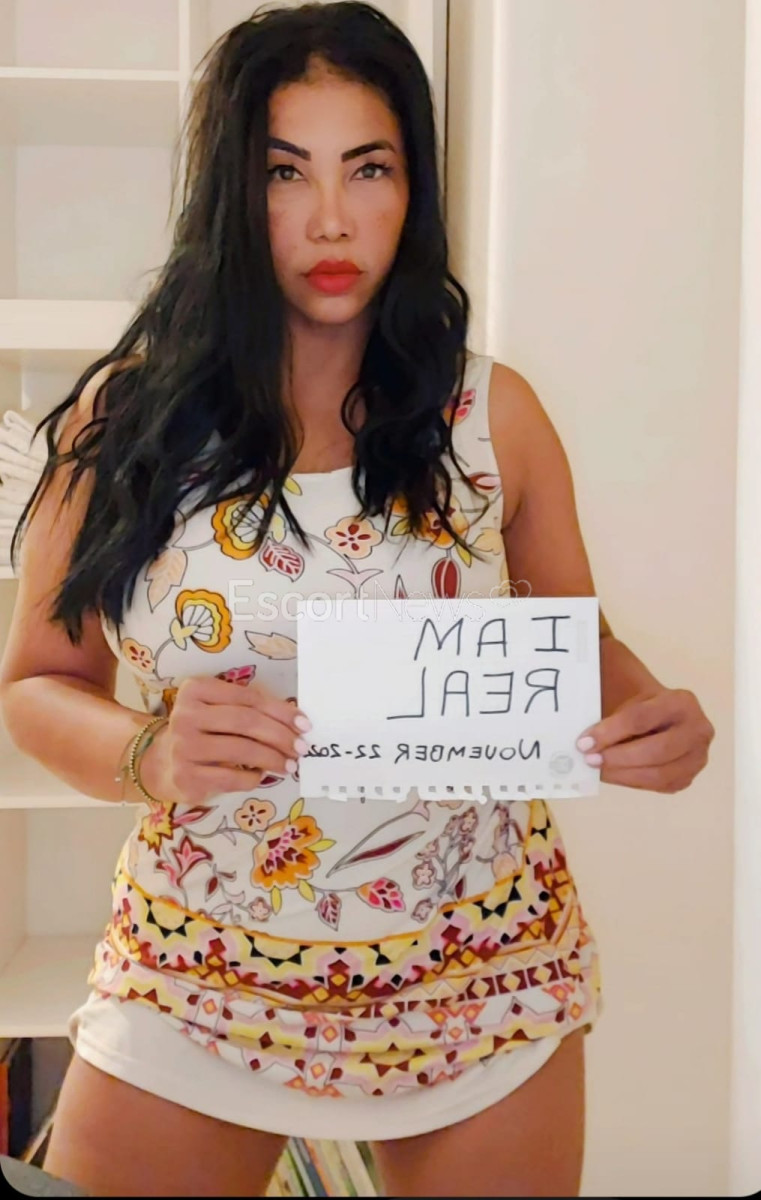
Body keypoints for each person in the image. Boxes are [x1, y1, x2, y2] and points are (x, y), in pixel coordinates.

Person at [0, 3, 715, 1197]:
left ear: (411, 187)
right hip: (197, 974)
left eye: (366, 168)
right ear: (231, 194)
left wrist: (646, 714)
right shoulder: (121, 423)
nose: (330, 219)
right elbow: (36, 684)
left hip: (481, 973)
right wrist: (149, 754)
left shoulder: (492, 416)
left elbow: (571, 637)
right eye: (285, 172)